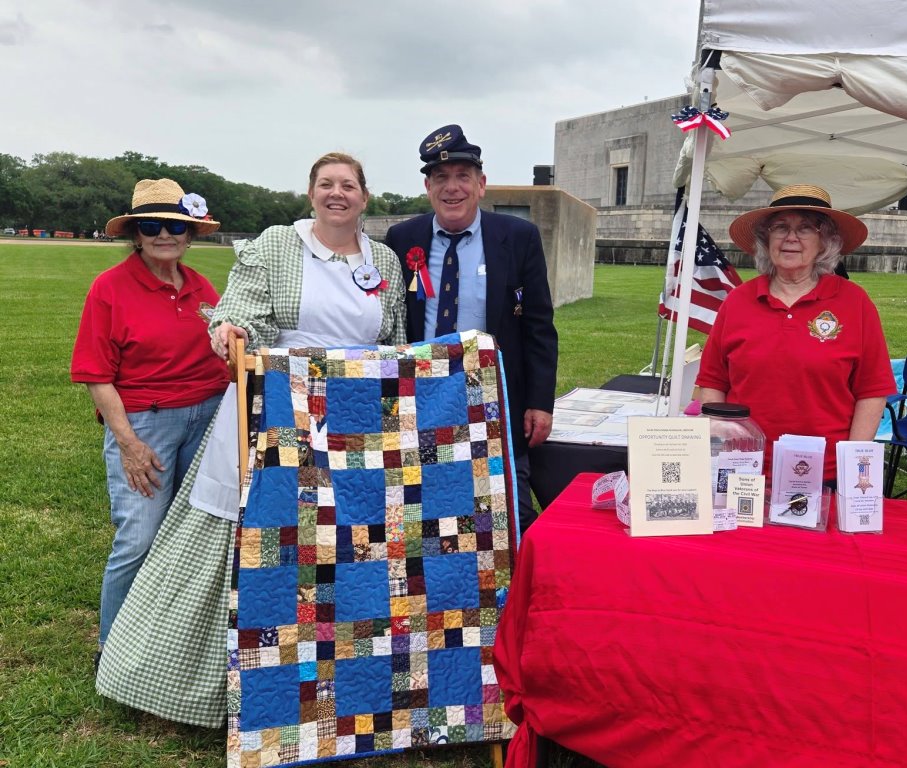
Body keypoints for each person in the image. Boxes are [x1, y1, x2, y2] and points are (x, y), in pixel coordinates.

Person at [95, 152, 406, 727]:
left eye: (348, 185)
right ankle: (189, 681)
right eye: (325, 184)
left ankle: (342, 674)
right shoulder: (276, 245)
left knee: (341, 540)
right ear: (311, 193)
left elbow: (395, 342)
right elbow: (237, 311)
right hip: (276, 407)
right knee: (258, 536)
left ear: (364, 196)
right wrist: (230, 329)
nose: (336, 193)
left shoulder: (382, 258)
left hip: (352, 417)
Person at [70, 178, 230, 669]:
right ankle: (112, 651)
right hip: (146, 424)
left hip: (209, 420)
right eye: (152, 225)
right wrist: (128, 443)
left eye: (176, 226)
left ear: (190, 234)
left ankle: (172, 642)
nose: (164, 234)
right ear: (135, 234)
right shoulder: (109, 288)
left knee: (194, 535)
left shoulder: (201, 286)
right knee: (139, 537)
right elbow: (96, 375)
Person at [385, 124, 558, 533]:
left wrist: (540, 402)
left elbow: (538, 326)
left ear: (481, 185)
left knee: (507, 512)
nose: (452, 188)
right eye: (440, 177)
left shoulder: (518, 237)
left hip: (493, 398)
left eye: (463, 176)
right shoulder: (402, 238)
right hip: (422, 396)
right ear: (427, 187)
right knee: (423, 508)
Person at [696, 184, 897, 483]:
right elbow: (713, 383)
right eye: (780, 227)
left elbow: (872, 391)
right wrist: (722, 449)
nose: (791, 237)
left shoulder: (854, 302)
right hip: (745, 470)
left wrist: (850, 465)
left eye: (805, 228)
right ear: (766, 238)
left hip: (825, 472)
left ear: (825, 241)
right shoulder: (738, 301)